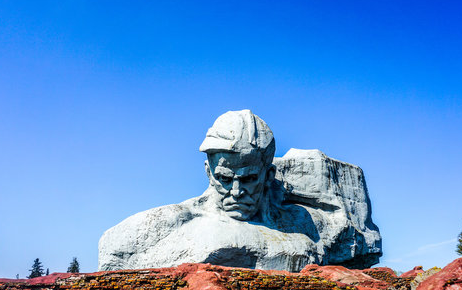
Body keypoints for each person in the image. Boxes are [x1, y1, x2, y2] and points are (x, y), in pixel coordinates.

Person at [98, 110, 382, 272]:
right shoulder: (169, 222)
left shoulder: (301, 224)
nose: (236, 191)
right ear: (208, 173)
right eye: (224, 178)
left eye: (247, 180)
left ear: (268, 175)